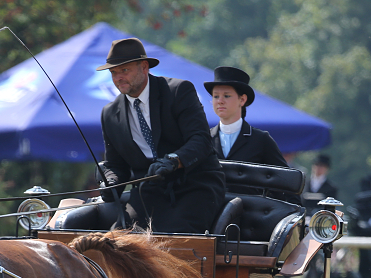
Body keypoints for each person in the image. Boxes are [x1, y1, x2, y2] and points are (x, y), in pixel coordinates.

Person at [93, 38, 226, 233]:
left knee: (170, 240)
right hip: (148, 193)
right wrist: (110, 182)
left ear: (144, 67)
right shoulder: (110, 113)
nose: (118, 77)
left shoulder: (178, 91)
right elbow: (115, 164)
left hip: (194, 186)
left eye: (125, 70)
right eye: (113, 73)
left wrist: (174, 160)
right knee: (117, 242)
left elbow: (201, 140)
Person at [204, 66, 299, 204]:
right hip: (208, 216)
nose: (220, 101)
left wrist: (296, 216)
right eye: (215, 96)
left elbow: (285, 184)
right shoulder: (203, 139)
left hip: (250, 218)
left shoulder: (261, 140)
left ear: (242, 100)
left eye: (227, 95)